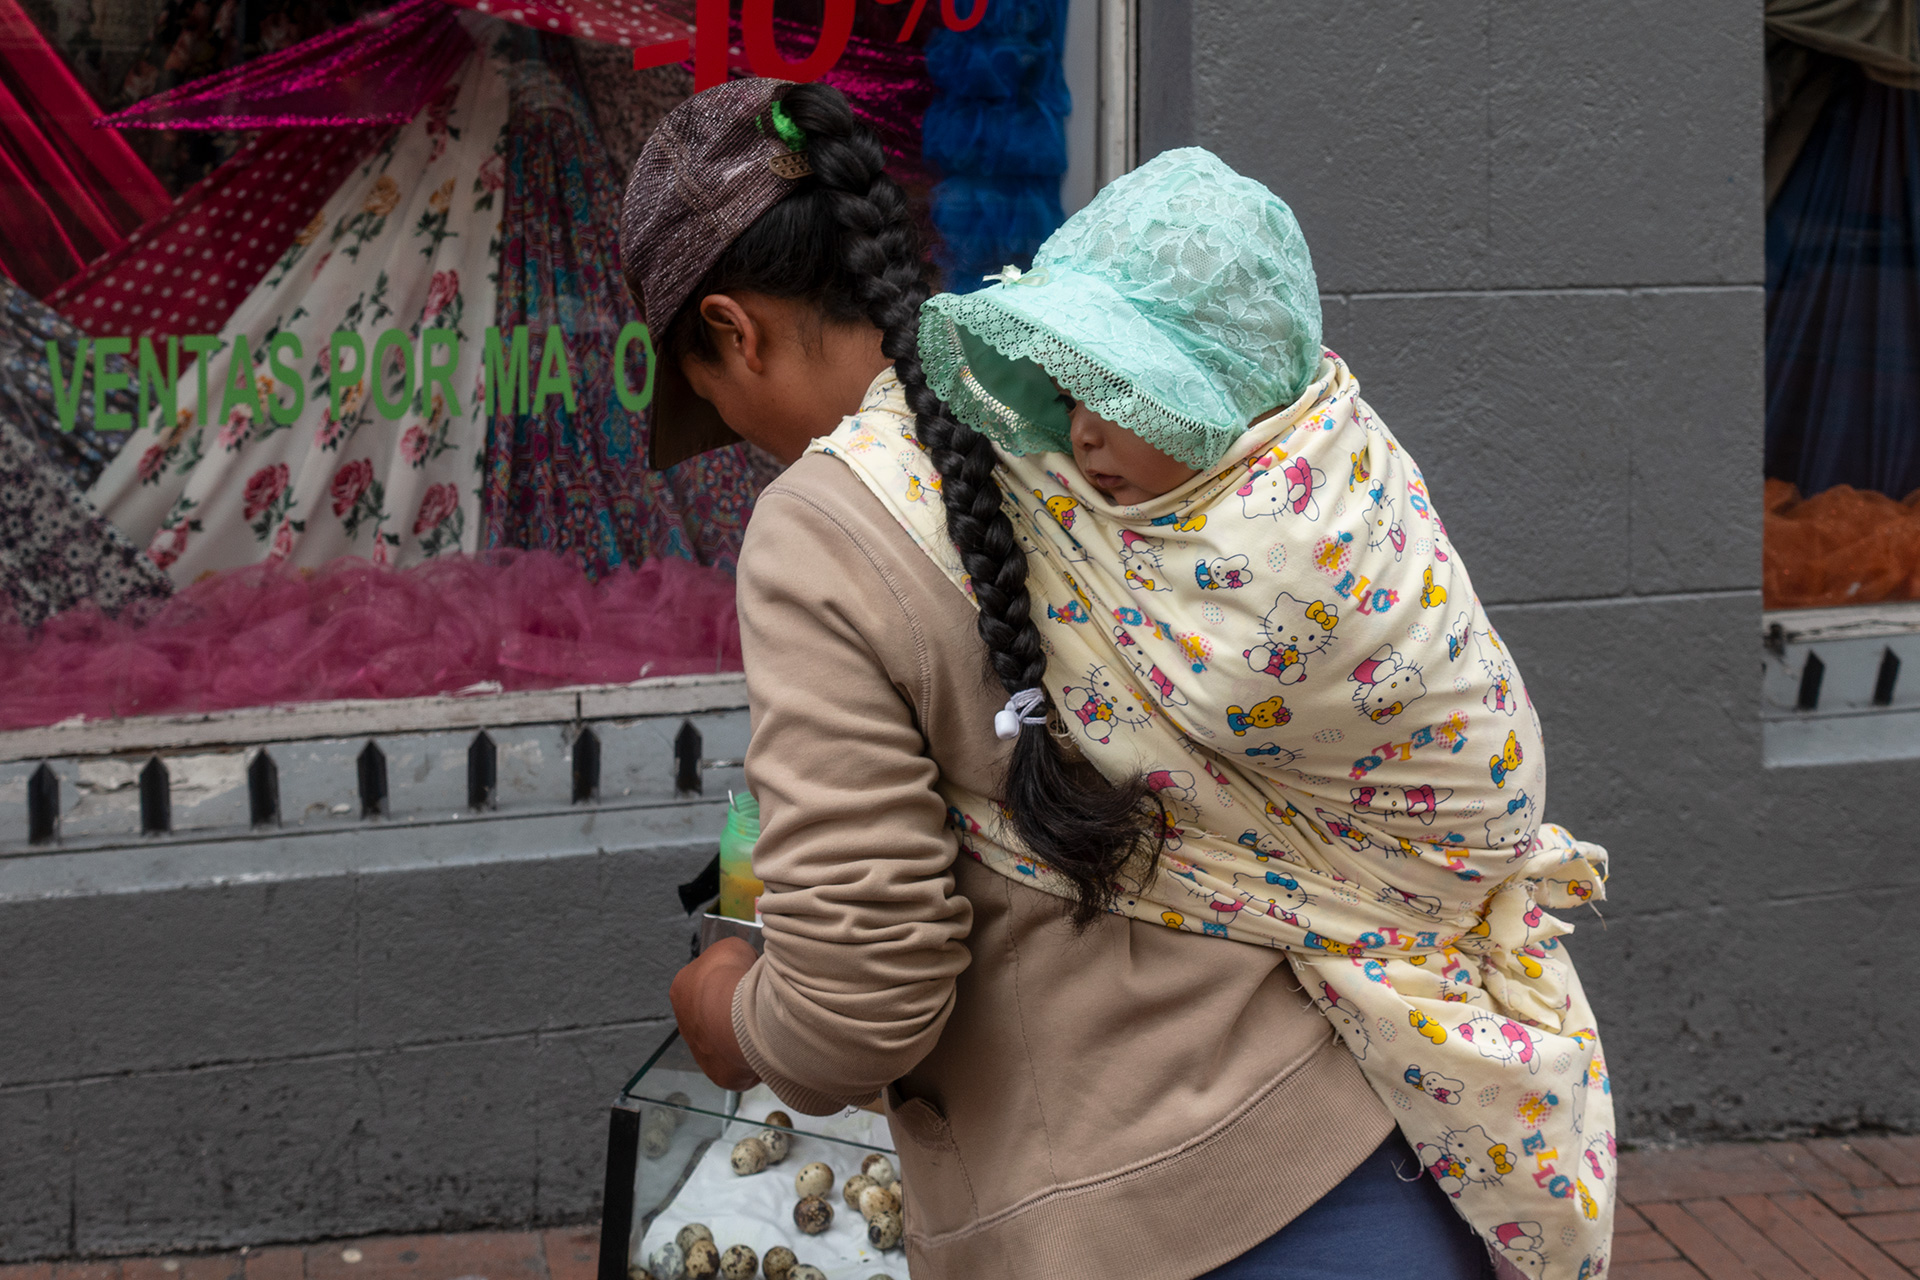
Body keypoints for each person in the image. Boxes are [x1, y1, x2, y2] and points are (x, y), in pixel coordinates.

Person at [624, 79, 1611, 1280]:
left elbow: (859, 1000)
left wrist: (726, 1007)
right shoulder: (1116, 406)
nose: (739, 434)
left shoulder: (824, 527)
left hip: (1139, 1227)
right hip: (1388, 1153)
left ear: (732, 330)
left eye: (714, 402)